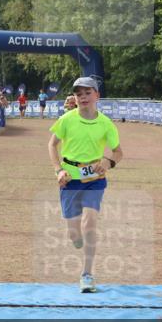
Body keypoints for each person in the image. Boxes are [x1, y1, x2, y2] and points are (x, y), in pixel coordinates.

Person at [48, 77, 123, 294]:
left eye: (88, 93)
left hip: (94, 181)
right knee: (74, 234)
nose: (83, 97)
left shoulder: (106, 123)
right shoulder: (66, 119)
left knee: (89, 223)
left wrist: (108, 161)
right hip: (69, 180)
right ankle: (77, 239)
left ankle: (87, 274)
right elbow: (52, 145)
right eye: (79, 94)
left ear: (97, 96)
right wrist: (58, 170)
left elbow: (118, 152)